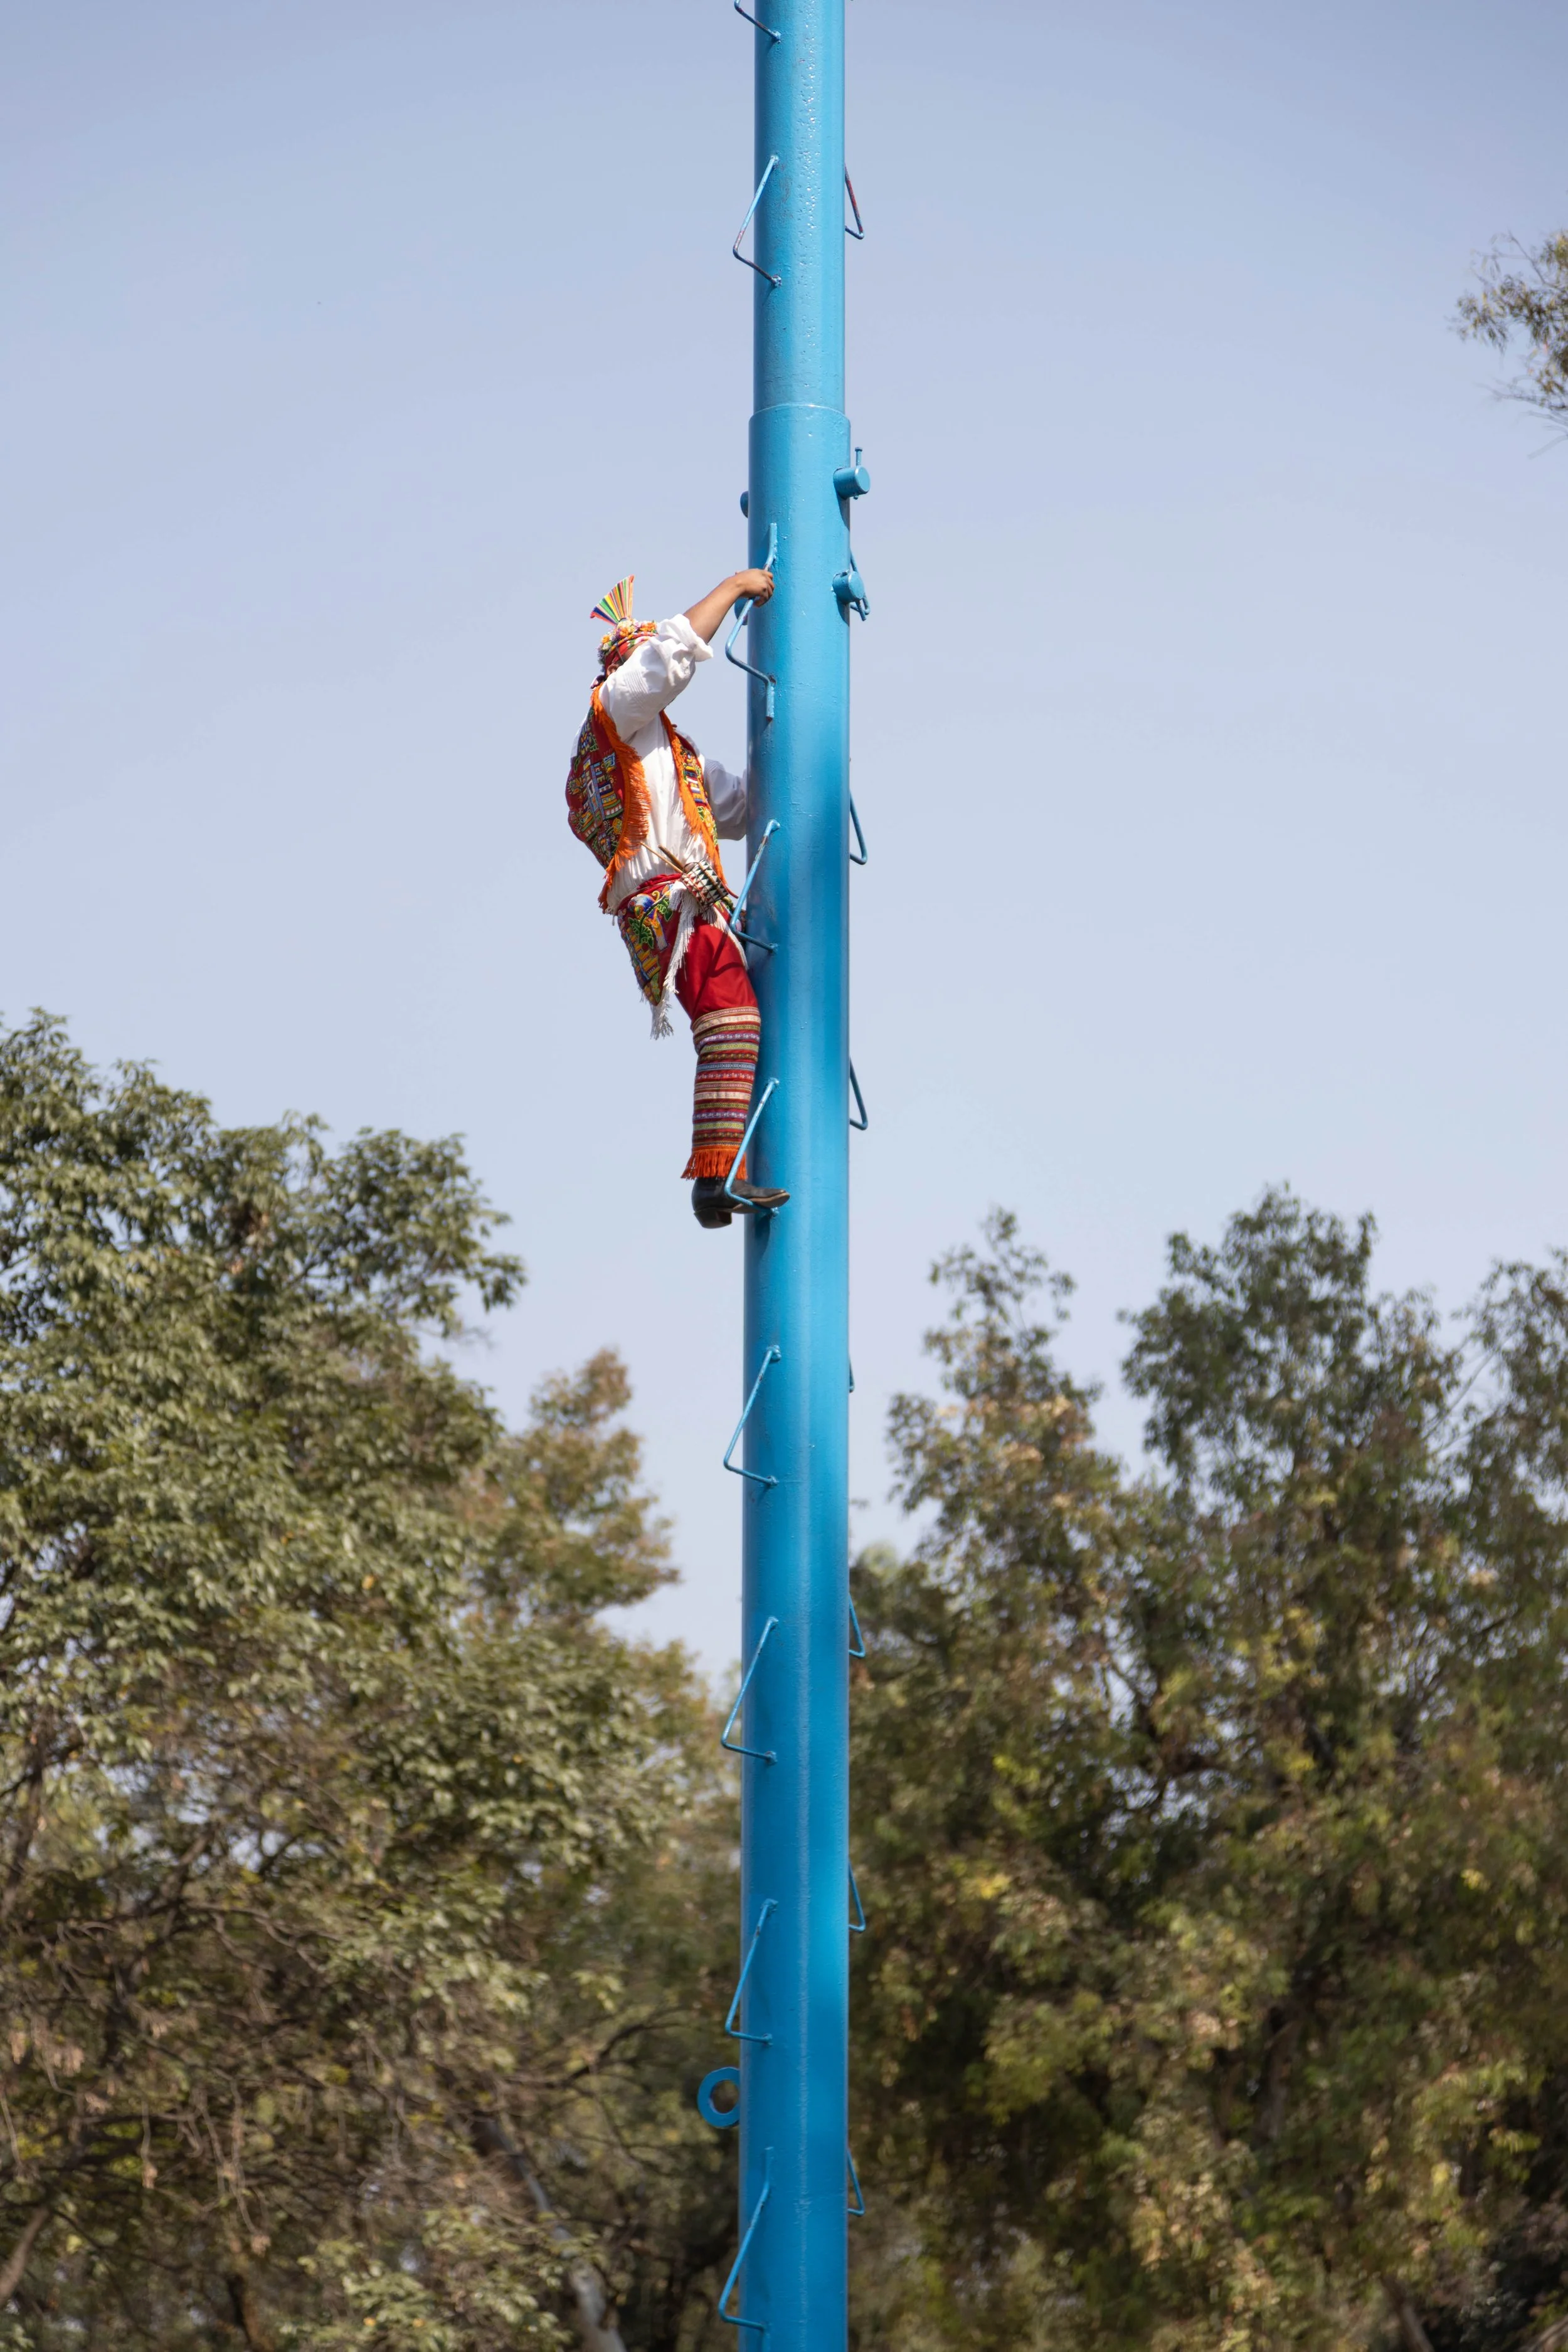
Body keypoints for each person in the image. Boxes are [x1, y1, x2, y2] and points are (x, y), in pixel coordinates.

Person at [564, 568, 788, 1230]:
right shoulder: (614, 710)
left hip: (686, 905)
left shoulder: (670, 753)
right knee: (730, 1018)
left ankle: (720, 1174)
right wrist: (732, 587)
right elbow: (671, 657)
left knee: (732, 1019)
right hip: (673, 907)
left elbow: (739, 808)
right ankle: (713, 1179)